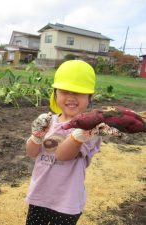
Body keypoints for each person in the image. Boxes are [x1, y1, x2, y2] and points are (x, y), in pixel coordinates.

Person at [25, 60, 123, 225]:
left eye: (78, 92)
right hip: (39, 195)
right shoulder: (48, 121)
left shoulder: (92, 129)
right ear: (55, 93)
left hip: (66, 203)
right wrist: (37, 136)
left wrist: (80, 135)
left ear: (89, 97)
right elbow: (32, 153)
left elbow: (63, 155)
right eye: (64, 91)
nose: (71, 97)